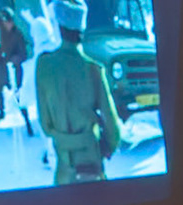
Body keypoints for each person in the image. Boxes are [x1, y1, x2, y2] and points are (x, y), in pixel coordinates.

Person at [35, 1, 121, 185]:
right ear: (82, 29)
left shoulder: (44, 66)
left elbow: (45, 125)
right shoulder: (93, 69)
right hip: (91, 162)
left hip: (63, 166)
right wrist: (106, 147)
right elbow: (113, 128)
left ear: (59, 27)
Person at [0, 3, 32, 133]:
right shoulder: (1, 28)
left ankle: (27, 122)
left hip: (15, 69)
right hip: (3, 66)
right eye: (4, 21)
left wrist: (15, 59)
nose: (6, 24)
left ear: (12, 21)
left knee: (18, 95)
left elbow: (23, 54)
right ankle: (1, 112)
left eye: (8, 21)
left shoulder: (18, 35)